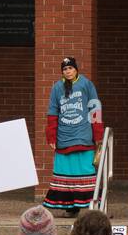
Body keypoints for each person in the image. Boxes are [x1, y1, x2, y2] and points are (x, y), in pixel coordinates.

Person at [44, 57, 103, 217]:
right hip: (64, 137)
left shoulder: (86, 84)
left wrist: (98, 133)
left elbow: (95, 108)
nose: (68, 71)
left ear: (76, 69)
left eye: (70, 68)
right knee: (65, 171)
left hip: (83, 135)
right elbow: (52, 112)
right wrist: (51, 136)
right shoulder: (57, 87)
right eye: (65, 69)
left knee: (86, 170)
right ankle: (71, 208)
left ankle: (93, 207)